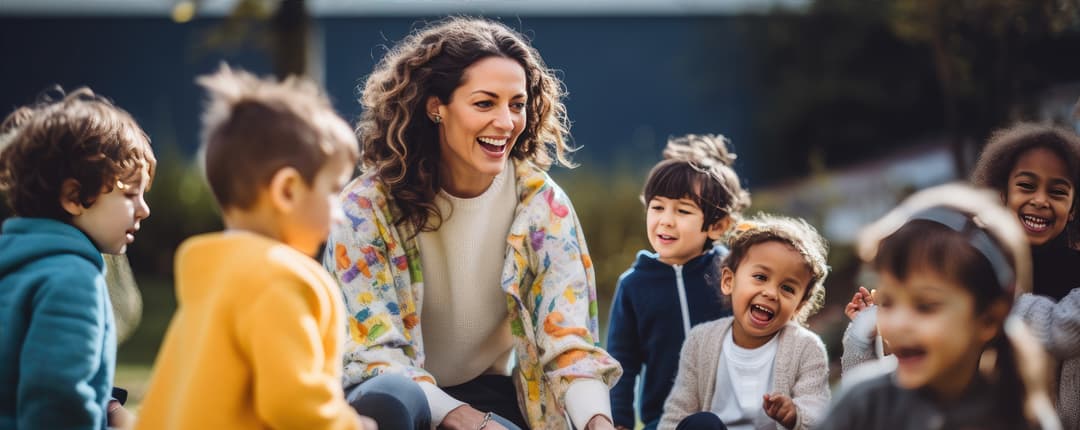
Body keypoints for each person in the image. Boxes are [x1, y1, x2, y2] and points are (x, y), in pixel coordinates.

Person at [325, 16, 621, 430]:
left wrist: (597, 422)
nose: (506, 122)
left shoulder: (541, 204)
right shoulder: (365, 208)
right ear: (436, 108)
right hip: (392, 402)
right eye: (485, 103)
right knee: (393, 398)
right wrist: (467, 421)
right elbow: (373, 355)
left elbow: (569, 341)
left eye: (516, 104)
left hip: (486, 391)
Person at [135, 65, 375, 430]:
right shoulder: (278, 280)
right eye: (331, 191)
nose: (340, 213)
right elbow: (293, 403)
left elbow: (166, 397)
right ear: (288, 191)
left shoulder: (214, 277)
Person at [822, 183, 1060, 430]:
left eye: (925, 307)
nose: (898, 324)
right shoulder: (862, 404)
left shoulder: (1024, 417)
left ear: (989, 319)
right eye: (887, 303)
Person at [0, 88, 155, 429]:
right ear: (73, 196)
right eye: (130, 194)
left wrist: (110, 409)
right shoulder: (74, 279)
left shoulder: (16, 264)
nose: (144, 209)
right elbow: (58, 397)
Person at [606, 133, 748, 430]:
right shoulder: (633, 286)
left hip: (735, 415)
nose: (666, 220)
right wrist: (618, 422)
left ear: (717, 226)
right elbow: (622, 363)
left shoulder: (732, 271)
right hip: (665, 422)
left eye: (682, 211)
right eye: (657, 207)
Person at [658, 214, 831, 430]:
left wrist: (794, 415)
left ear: (799, 306)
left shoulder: (806, 348)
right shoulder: (700, 341)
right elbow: (677, 414)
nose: (771, 293)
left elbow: (818, 414)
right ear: (729, 281)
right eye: (760, 277)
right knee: (702, 423)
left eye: (787, 288)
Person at [971, 122, 1080, 429]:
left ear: (1073, 209)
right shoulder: (974, 269)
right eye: (1027, 186)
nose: (1041, 200)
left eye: (1058, 192)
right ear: (1002, 193)